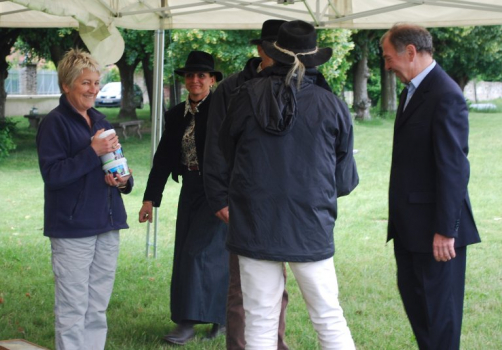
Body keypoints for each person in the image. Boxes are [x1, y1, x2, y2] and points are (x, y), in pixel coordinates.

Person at [218, 20, 359, 349]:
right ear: (312, 58)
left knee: (260, 319)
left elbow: (227, 154)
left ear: (272, 54)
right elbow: (344, 180)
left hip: (255, 222)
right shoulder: (332, 105)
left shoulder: (243, 97)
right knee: (327, 316)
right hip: (309, 224)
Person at [381, 23, 481, 350]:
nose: (386, 65)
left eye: (387, 57)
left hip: (435, 235)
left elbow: (454, 168)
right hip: (412, 229)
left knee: (439, 322)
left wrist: (445, 230)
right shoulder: (415, 90)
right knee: (421, 314)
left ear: (410, 52)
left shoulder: (445, 94)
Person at [36, 48, 133, 350]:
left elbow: (114, 161)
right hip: (73, 228)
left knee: (97, 309)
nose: (94, 90)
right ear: (66, 85)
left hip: (107, 223)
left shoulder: (100, 119)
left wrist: (123, 180)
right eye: (85, 83)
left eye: (96, 82)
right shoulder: (54, 123)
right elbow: (53, 175)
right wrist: (92, 151)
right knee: (72, 309)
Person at [203, 19, 291, 350]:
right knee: (242, 288)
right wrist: (219, 199)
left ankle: (276, 344)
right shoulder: (232, 89)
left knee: (276, 285)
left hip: (281, 204)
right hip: (241, 202)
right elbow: (214, 148)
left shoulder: (292, 86)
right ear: (261, 50)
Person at [138, 50, 228, 346]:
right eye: (190, 75)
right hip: (189, 187)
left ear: (213, 80)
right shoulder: (177, 113)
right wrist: (150, 198)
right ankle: (220, 317)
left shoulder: (223, 109)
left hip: (218, 191)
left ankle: (188, 323)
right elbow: (163, 157)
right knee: (189, 252)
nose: (195, 80)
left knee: (199, 252)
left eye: (202, 75)